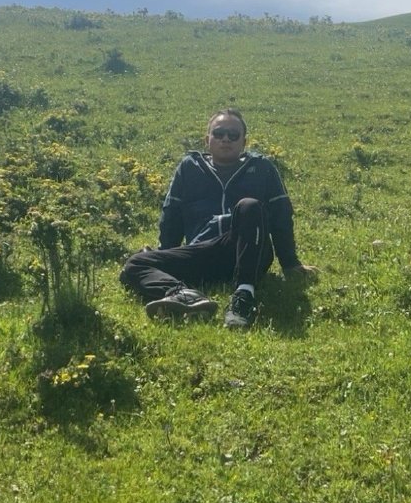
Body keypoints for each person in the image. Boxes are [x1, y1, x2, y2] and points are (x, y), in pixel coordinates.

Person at [122, 98, 302, 330]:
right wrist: (166, 255)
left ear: (244, 142)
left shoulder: (262, 168)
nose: (225, 139)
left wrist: (290, 263)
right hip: (201, 251)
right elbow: (172, 214)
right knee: (135, 263)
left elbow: (281, 215)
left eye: (233, 135)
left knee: (249, 206)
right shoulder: (189, 168)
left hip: (248, 250)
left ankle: (243, 298)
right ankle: (184, 294)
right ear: (207, 140)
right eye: (219, 133)